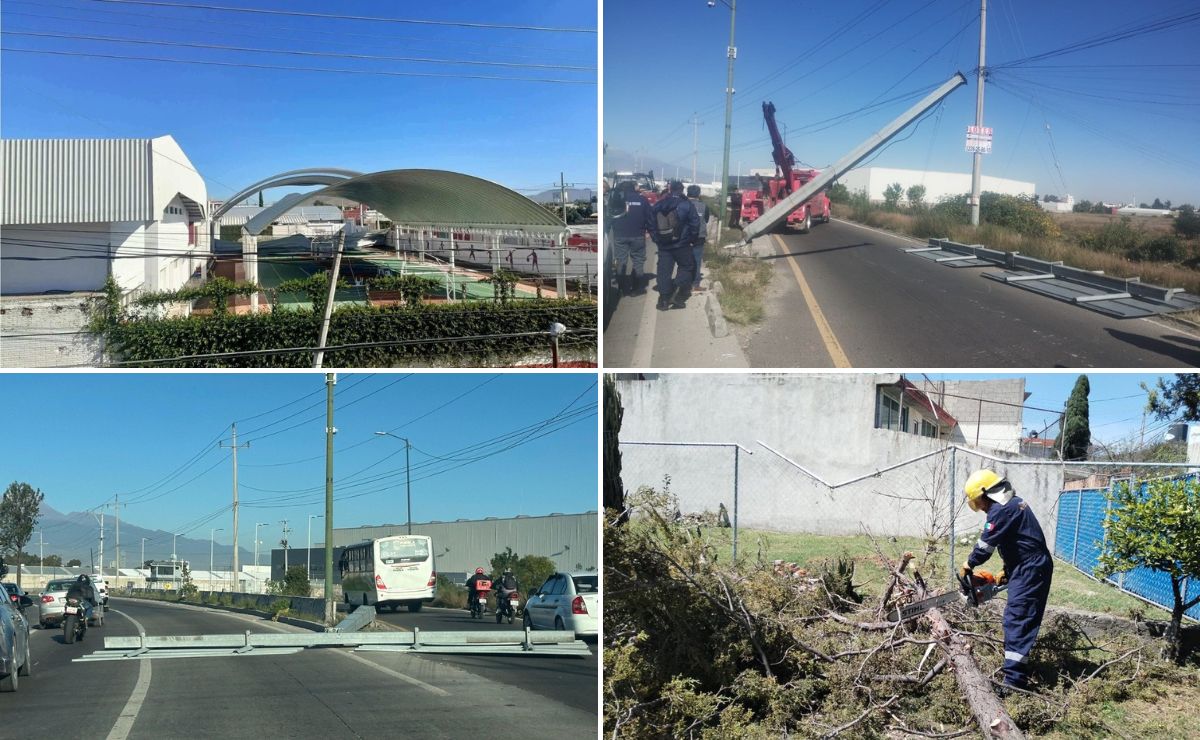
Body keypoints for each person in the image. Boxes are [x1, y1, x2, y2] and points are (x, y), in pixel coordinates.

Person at [961, 469, 1053, 693]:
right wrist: (1007, 570)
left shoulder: (1001, 509)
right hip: (1026, 565)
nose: (980, 507)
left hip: (1030, 568)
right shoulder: (1013, 504)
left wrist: (969, 564)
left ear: (986, 493)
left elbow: (986, 545)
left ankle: (1014, 684)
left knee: (1017, 619)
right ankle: (1016, 674)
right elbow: (1016, 542)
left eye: (979, 502)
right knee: (1017, 618)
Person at [650, 180, 700, 311]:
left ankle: (663, 301)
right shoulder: (687, 204)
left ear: (670, 189)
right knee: (687, 267)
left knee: (663, 271)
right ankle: (676, 293)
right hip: (682, 244)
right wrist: (692, 239)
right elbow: (695, 223)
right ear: (682, 190)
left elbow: (651, 223)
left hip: (664, 245)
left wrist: (656, 239)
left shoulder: (659, 203)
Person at [608, 181, 652, 296]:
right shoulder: (642, 200)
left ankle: (621, 289)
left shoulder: (616, 199)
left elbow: (610, 217)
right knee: (638, 261)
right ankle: (637, 288)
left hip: (620, 235)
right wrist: (649, 231)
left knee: (621, 262)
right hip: (638, 235)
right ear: (634, 188)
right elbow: (650, 217)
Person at [686, 184, 710, 292]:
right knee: (697, 260)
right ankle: (695, 284)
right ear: (698, 194)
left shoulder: (683, 205)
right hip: (699, 236)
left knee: (683, 260)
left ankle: (684, 283)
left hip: (685, 237)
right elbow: (707, 219)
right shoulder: (704, 206)